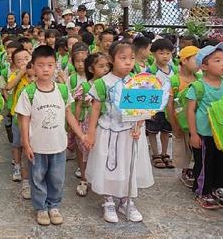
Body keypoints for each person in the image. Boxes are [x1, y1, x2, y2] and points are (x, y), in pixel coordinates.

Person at [16, 45, 89, 226]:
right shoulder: (29, 93)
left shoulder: (62, 90)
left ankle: (54, 206)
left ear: (56, 66)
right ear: (32, 66)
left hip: (58, 145)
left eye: (49, 65)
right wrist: (26, 143)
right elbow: (24, 119)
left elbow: (69, 114)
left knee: (57, 178)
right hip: (37, 146)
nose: (45, 69)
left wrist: (81, 135)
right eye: (40, 65)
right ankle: (41, 208)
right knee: (37, 177)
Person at [86, 41, 154, 223]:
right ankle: (108, 200)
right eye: (122, 58)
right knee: (108, 165)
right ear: (111, 59)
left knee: (128, 164)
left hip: (131, 132)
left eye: (131, 58)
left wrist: (139, 125)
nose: (128, 62)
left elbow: (143, 108)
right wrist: (90, 134)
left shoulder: (139, 81)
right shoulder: (103, 83)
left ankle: (127, 200)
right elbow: (95, 109)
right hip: (108, 131)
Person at [186, 42, 223, 209]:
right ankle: (202, 191)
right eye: (217, 60)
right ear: (204, 66)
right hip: (204, 134)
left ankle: (216, 188)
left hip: (222, 134)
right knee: (204, 164)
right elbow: (190, 111)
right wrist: (193, 134)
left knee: (220, 163)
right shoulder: (198, 86)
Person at [74, 52, 109, 197]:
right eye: (101, 66)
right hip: (86, 125)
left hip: (104, 125)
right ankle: (84, 179)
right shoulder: (85, 86)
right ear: (91, 69)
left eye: (108, 65)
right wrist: (75, 126)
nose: (106, 69)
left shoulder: (111, 85)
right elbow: (77, 107)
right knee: (83, 153)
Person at [166, 46, 200, 188]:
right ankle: (186, 170)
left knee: (195, 147)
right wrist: (174, 125)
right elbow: (169, 105)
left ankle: (193, 169)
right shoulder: (174, 80)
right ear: (184, 61)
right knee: (183, 147)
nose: (199, 63)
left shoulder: (199, 78)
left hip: (196, 121)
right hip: (180, 121)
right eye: (196, 59)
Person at [5, 48, 32, 198]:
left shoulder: (36, 76)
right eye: (19, 60)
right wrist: (21, 73)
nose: (24, 62)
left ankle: (29, 171)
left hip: (34, 118)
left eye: (26, 58)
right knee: (17, 143)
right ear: (14, 64)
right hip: (18, 116)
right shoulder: (16, 75)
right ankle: (17, 165)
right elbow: (8, 87)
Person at [146, 38, 175, 169]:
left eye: (168, 53)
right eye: (161, 53)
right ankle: (155, 154)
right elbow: (146, 90)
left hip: (169, 107)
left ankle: (165, 153)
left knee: (166, 131)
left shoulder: (174, 69)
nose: (165, 56)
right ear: (153, 54)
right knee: (152, 131)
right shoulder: (150, 71)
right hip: (155, 107)